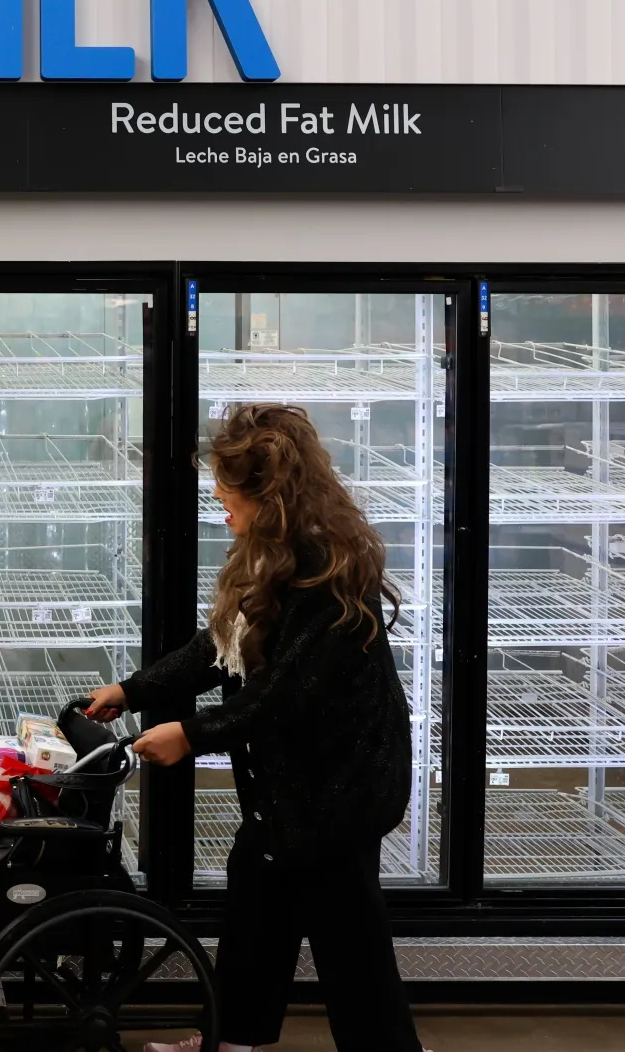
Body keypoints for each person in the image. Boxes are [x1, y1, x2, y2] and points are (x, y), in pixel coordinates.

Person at [88, 403, 426, 1052]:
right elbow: (222, 646)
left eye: (228, 493)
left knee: (349, 940)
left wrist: (186, 734)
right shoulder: (274, 556)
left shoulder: (327, 575)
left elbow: (282, 697)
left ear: (268, 498)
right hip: (296, 789)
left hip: (339, 794)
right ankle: (235, 1037)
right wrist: (132, 690)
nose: (221, 504)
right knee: (256, 905)